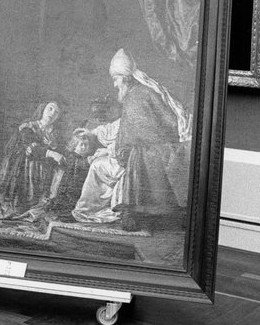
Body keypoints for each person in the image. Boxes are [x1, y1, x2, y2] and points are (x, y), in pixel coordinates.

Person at [71, 49, 192, 231]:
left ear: (126, 78)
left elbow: (135, 137)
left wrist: (112, 151)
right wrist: (101, 138)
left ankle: (88, 211)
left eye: (116, 79)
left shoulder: (135, 97)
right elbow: (128, 129)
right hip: (157, 149)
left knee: (97, 166)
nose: (114, 85)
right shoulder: (143, 91)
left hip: (148, 153)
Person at [0, 101, 66, 222]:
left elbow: (61, 150)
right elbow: (31, 147)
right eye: (50, 108)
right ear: (43, 109)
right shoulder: (28, 127)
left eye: (56, 112)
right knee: (19, 204)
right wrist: (52, 153)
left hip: (45, 171)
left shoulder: (55, 133)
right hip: (26, 167)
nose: (52, 113)